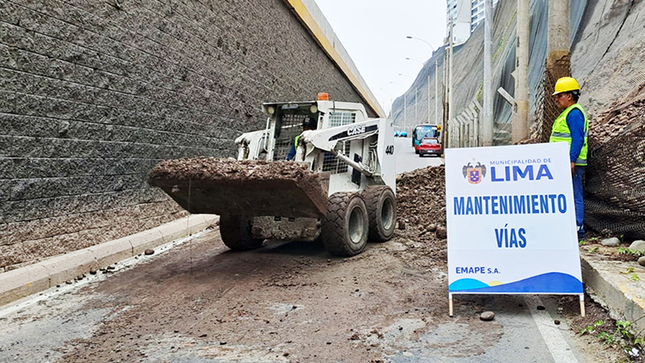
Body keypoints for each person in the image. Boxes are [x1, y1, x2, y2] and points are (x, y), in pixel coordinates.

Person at [549, 76, 589, 239]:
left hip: (571, 163)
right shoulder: (568, 113)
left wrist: (571, 160)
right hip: (564, 162)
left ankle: (578, 228)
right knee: (569, 193)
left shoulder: (574, 114)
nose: (557, 99)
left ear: (569, 96)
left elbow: (578, 139)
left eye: (559, 95)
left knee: (574, 193)